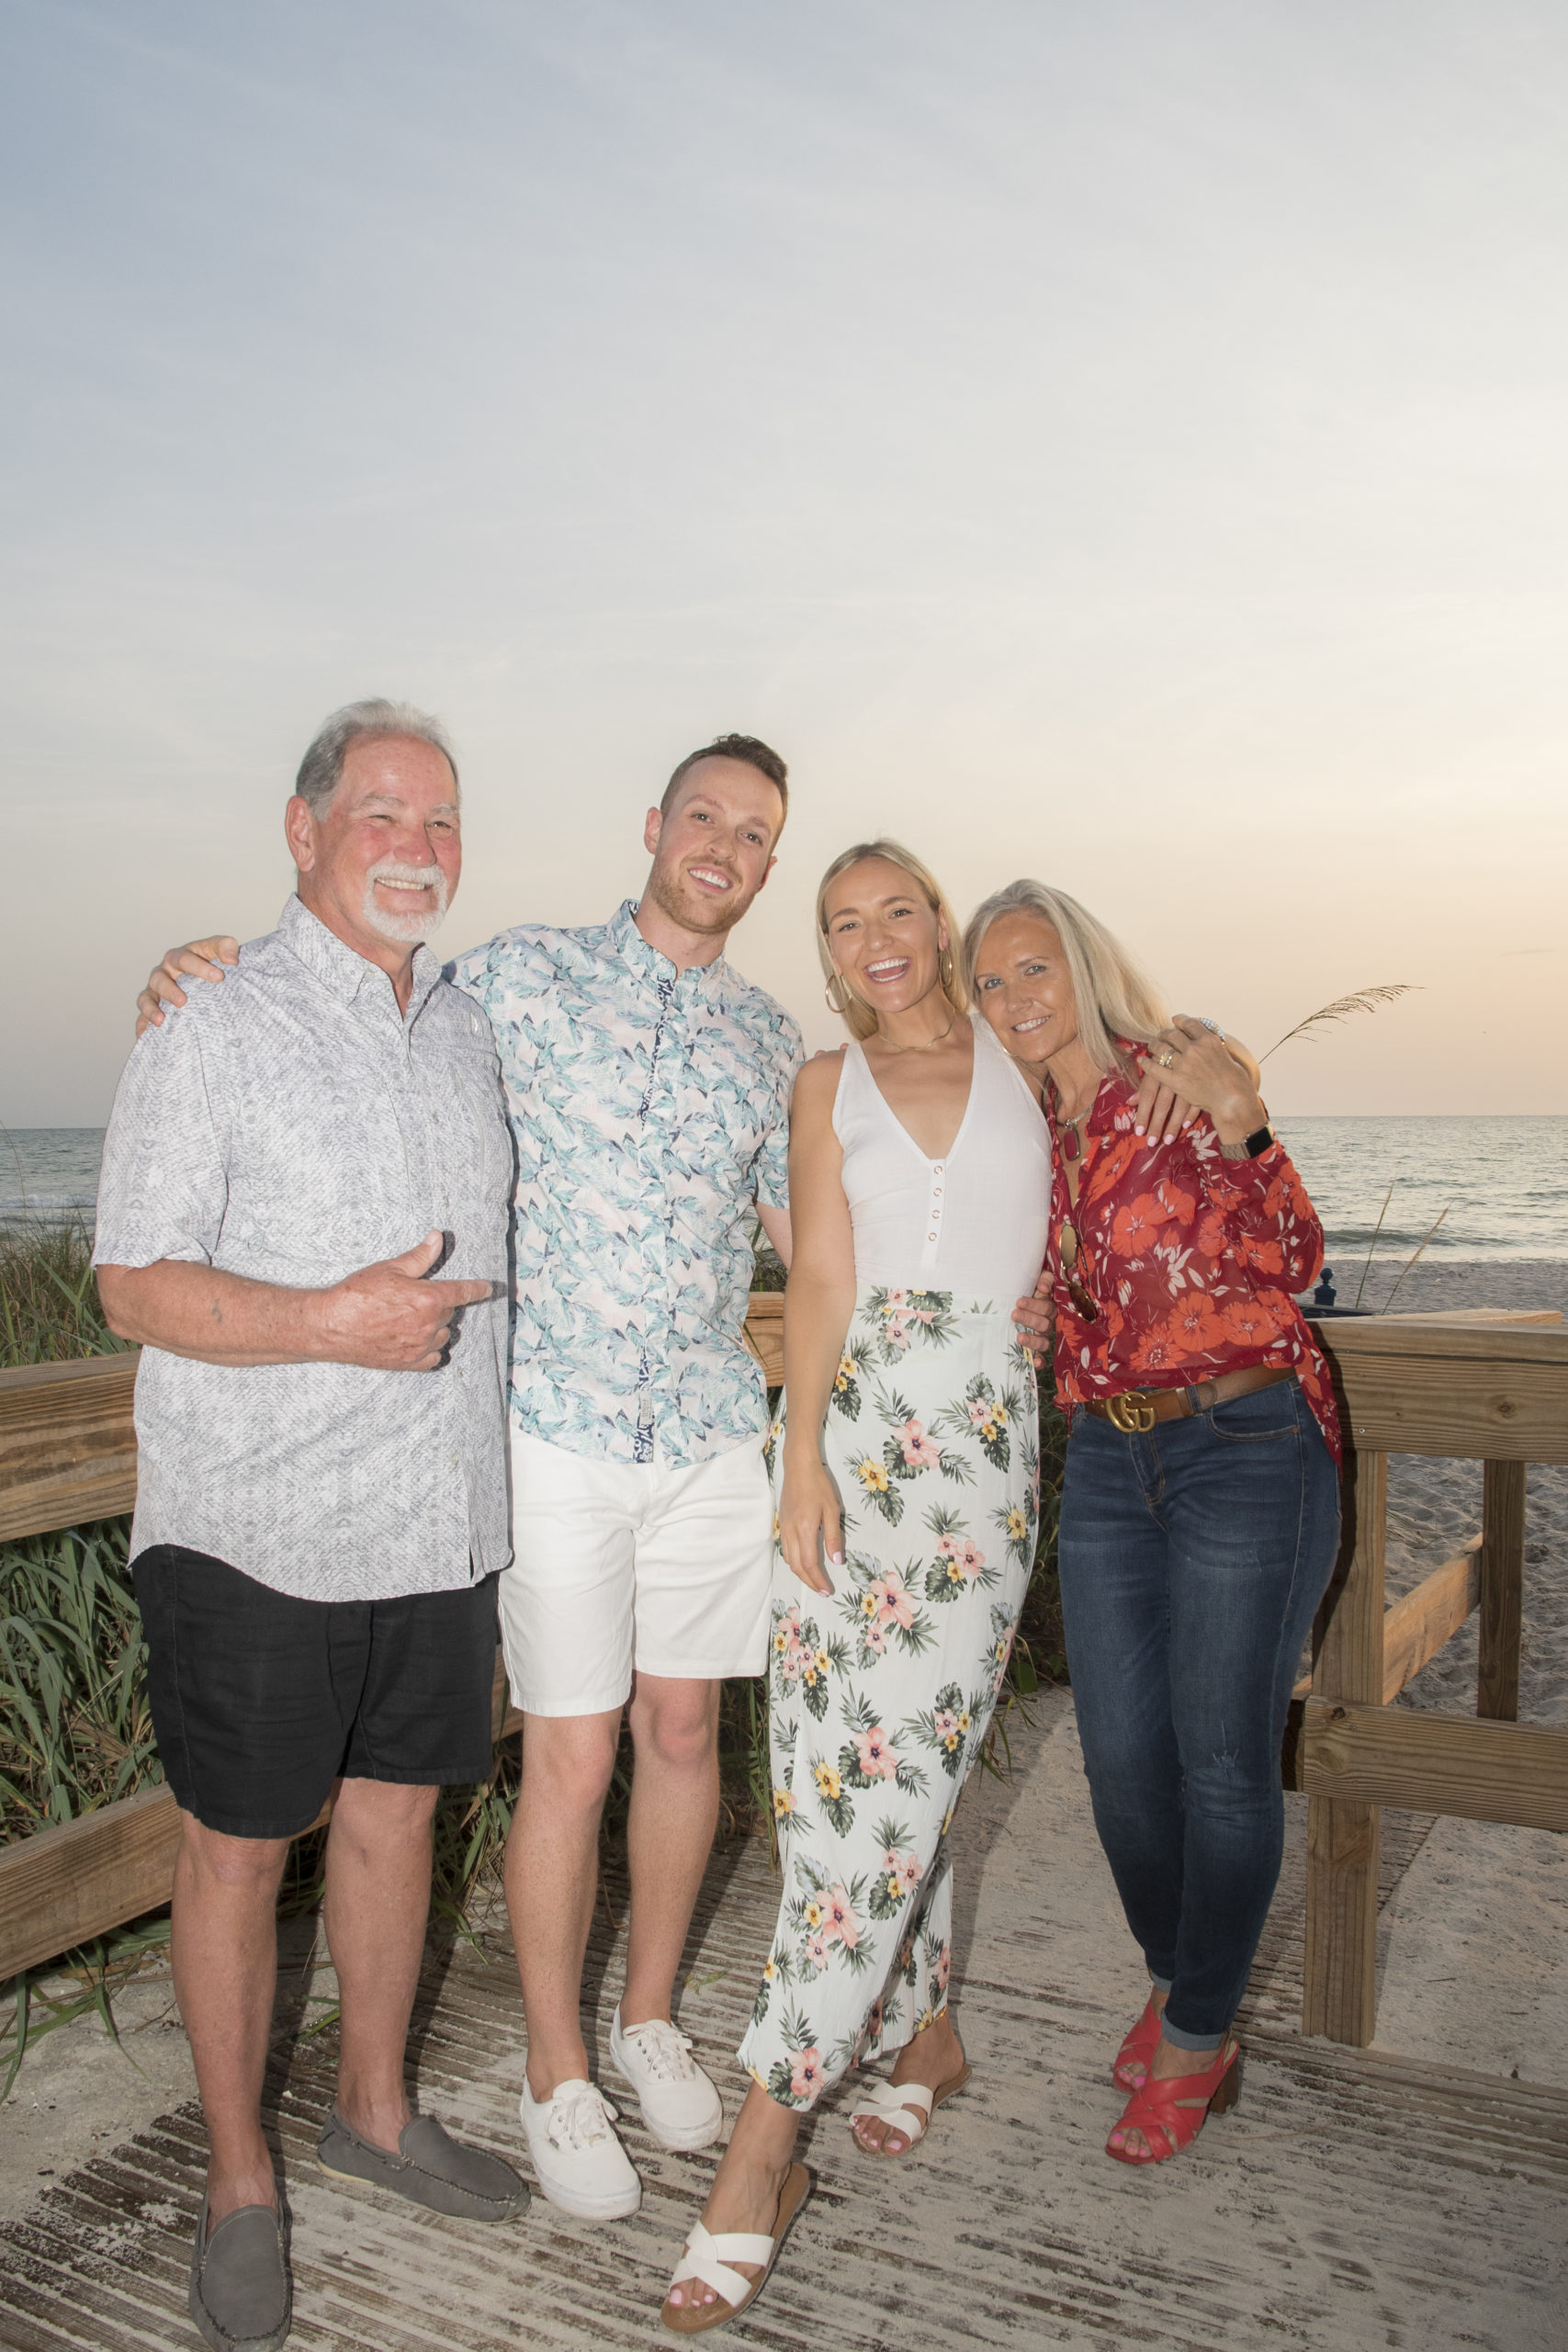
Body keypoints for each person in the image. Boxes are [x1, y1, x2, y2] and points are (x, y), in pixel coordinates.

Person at [136, 734, 801, 2224]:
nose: (722, 846)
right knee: (565, 1754)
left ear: (769, 863)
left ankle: (640, 2020)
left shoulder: (766, 1038)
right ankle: (550, 2075)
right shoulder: (513, 980)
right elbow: (350, 973)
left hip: (696, 1428)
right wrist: (194, 972)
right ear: (654, 825)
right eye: (703, 815)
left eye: (754, 832)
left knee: (680, 1731)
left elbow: (805, 1234)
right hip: (545, 1426)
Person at [96, 700, 529, 2352]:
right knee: (234, 1848)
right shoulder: (208, 1017)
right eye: (382, 815)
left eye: (442, 819)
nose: (418, 847)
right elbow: (131, 1280)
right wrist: (323, 1323)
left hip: (438, 1514)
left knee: (398, 1820)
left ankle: (372, 2110)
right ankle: (237, 2182)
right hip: (257, 1520)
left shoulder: (471, 1027)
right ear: (305, 832)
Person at [660, 840, 1052, 2333]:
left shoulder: (1029, 1055)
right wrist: (803, 1459)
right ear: (826, 952)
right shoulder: (825, 1083)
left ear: (939, 922)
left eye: (898, 910)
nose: (875, 938)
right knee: (841, 1776)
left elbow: (1112, 1205)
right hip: (851, 1446)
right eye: (843, 923)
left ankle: (765, 2147)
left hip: (981, 1464)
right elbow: (819, 1276)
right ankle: (924, 2029)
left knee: (904, 1765)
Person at [964, 877, 1341, 2167]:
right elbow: (1093, 1297)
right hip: (1112, 1461)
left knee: (1224, 1761)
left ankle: (1197, 2031)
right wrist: (1048, 1315)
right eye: (990, 982)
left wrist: (1249, 1126)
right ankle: (1187, 1978)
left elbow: (1299, 1259)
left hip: (1248, 1444)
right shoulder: (1032, 1133)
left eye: (1033, 969)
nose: (1014, 998)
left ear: (1081, 966)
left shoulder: (1178, 1071)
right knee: (1121, 1758)